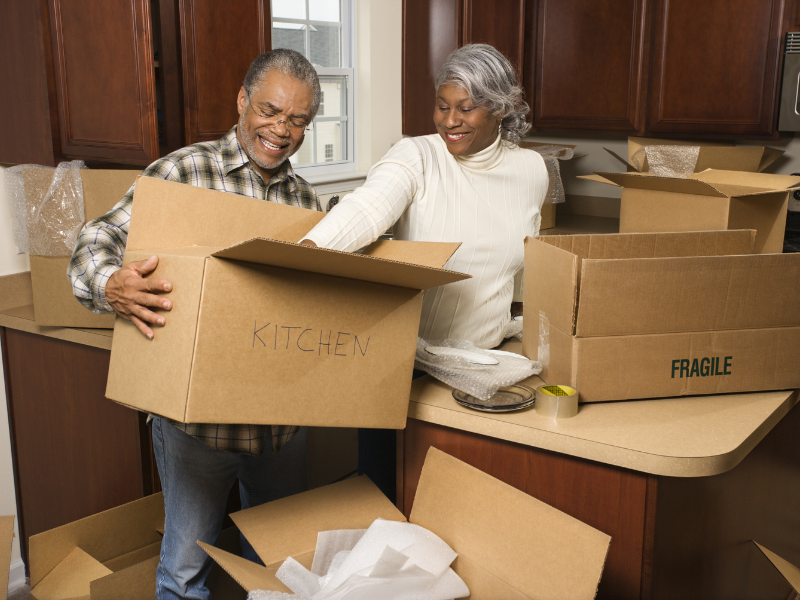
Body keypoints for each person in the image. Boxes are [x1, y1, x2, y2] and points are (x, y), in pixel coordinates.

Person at [68, 49, 322, 600]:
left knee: (280, 570)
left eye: (298, 120)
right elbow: (97, 237)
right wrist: (111, 282)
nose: (281, 130)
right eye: (270, 110)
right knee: (185, 575)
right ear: (242, 102)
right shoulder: (183, 171)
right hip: (196, 429)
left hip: (281, 425)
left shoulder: (305, 198)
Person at [301, 43, 548, 350]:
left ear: (499, 109)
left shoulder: (532, 169)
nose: (449, 121)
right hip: (411, 360)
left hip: (490, 355)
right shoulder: (417, 154)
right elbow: (366, 209)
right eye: (442, 106)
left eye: (466, 108)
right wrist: (300, 256)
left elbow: (526, 261)